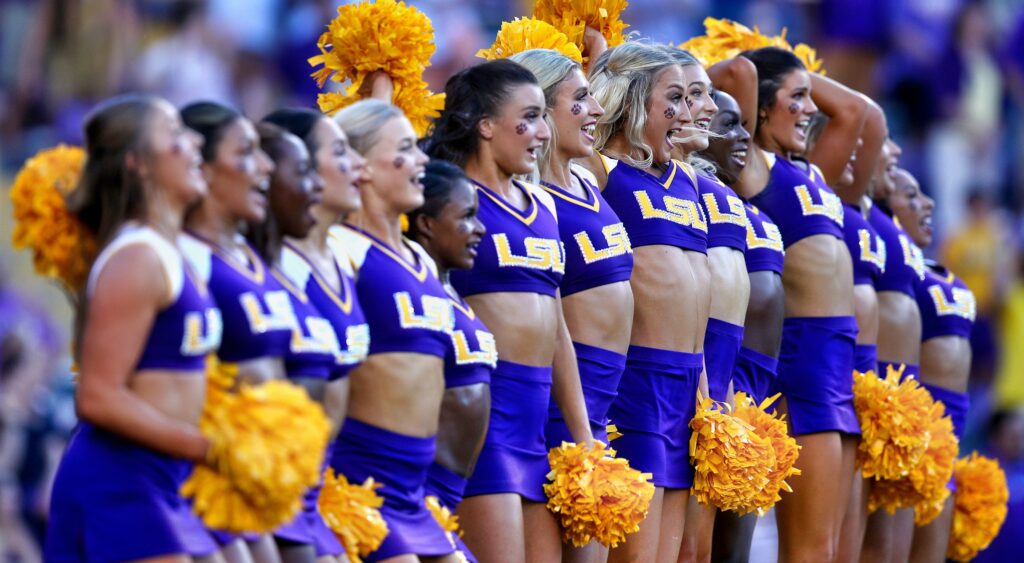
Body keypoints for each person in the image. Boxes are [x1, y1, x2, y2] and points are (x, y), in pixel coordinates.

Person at [423, 59, 594, 563]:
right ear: (485, 125)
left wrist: (582, 433)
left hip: (538, 422)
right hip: (485, 416)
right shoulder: (450, 204)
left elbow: (556, 324)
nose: (543, 131)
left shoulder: (543, 205)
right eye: (531, 117)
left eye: (545, 116)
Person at [44, 94, 223, 562]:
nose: (195, 143)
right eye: (175, 136)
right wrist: (208, 447)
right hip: (120, 483)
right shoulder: (136, 257)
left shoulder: (172, 250)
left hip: (162, 477)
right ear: (138, 164)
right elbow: (98, 396)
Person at [711, 47, 866, 561]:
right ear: (758, 110)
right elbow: (740, 70)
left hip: (837, 363)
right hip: (802, 366)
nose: (809, 109)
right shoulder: (752, 164)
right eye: (795, 98)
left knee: (835, 547)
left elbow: (862, 115)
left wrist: (796, 77)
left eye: (809, 96)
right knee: (810, 548)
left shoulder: (811, 172)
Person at [579, 42, 709, 563]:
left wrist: (705, 398)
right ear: (633, 105)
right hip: (640, 384)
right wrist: (599, 56)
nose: (686, 112)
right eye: (672, 100)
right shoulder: (606, 172)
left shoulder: (688, 182)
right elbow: (570, 118)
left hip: (687, 388)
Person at [510, 48, 633, 562]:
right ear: (538, 110)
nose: (596, 112)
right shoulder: (530, 201)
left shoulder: (590, 180)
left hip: (607, 402)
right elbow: (551, 320)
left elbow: (632, 107)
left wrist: (598, 41)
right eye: (579, 101)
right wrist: (580, 429)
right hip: (566, 405)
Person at [330, 99, 460, 562]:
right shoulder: (339, 250)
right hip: (362, 479)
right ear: (360, 167)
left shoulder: (421, 258)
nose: (423, 159)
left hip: (417, 484)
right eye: (406, 149)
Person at [179, 101, 287, 563]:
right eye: (246, 153)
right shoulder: (183, 259)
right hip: (203, 477)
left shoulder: (250, 254)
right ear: (199, 167)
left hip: (259, 478)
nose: (265, 166)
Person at [666, 48, 751, 563]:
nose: (702, 107)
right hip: (684, 362)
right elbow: (743, 70)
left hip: (728, 369)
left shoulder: (717, 183)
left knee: (705, 550)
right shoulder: (659, 177)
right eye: (687, 96)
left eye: (701, 96)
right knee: (686, 548)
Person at [248, 122, 344, 563]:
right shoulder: (214, 270)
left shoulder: (296, 272)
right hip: (259, 487)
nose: (316, 187)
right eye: (302, 172)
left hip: (313, 491)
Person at [698, 87, 787, 563]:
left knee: (738, 549)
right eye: (726, 123)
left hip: (760, 382)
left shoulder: (749, 203)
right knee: (708, 544)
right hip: (720, 377)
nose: (742, 135)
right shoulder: (693, 193)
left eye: (745, 124)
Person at [406, 160, 495, 562]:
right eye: (466, 217)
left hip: (457, 489)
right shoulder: (411, 291)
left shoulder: (451, 289)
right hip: (419, 489)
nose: (480, 229)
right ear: (426, 224)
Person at [887, 168, 969, 563]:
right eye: (911, 196)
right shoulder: (894, 268)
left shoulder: (946, 271)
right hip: (912, 431)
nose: (929, 204)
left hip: (950, 433)